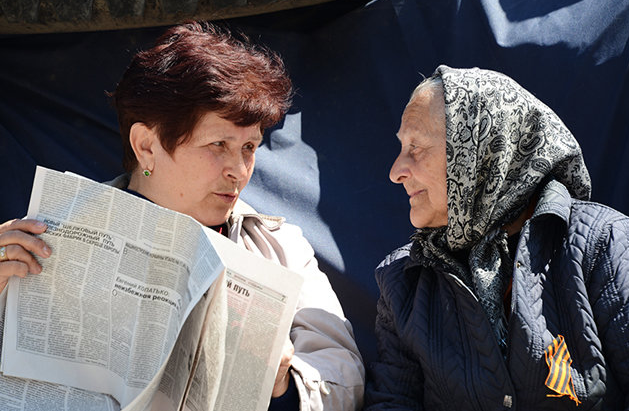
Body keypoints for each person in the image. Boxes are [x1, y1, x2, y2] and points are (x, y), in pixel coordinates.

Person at [0, 21, 364, 410]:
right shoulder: (48, 234)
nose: (239, 171)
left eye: (249, 147)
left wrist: (282, 386)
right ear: (146, 145)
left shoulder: (281, 248)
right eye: (219, 144)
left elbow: (345, 381)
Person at [364, 65, 629, 410]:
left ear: (481, 151)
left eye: (416, 147)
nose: (396, 171)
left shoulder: (601, 242)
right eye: (401, 148)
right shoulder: (403, 281)